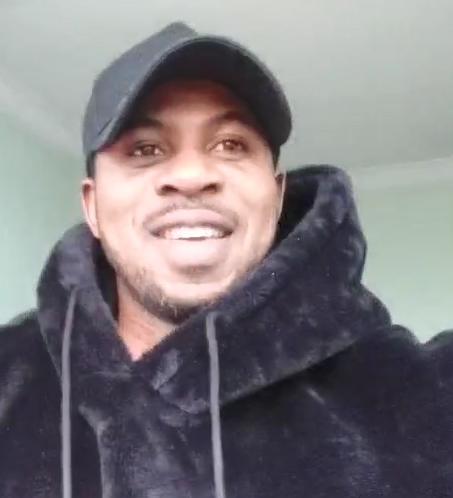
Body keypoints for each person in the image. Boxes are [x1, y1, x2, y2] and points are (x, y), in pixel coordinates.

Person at [0, 21, 452, 498]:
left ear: (277, 196)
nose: (192, 175)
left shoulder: (424, 396)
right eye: (146, 149)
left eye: (231, 145)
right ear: (92, 206)